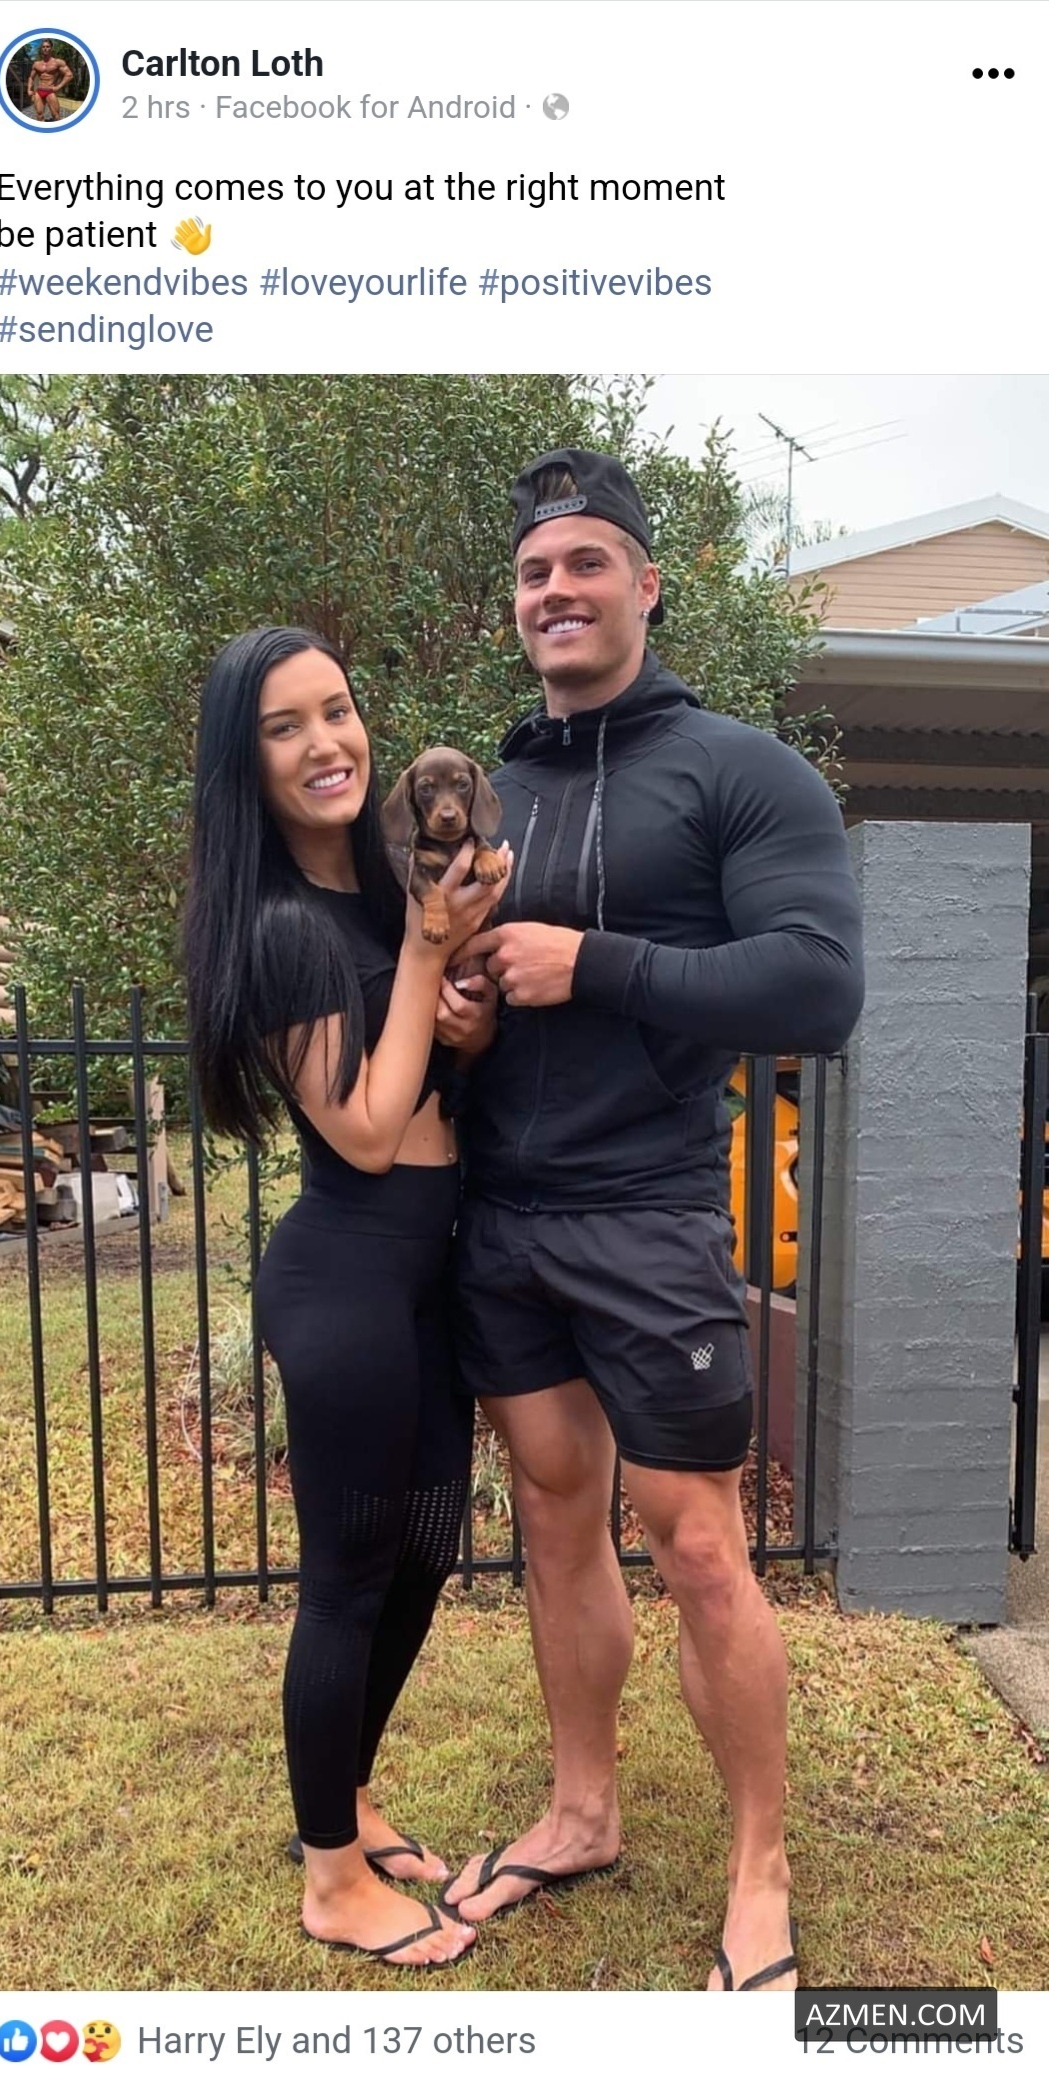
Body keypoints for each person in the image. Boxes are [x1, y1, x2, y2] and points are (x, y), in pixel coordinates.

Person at [440, 450, 865, 1991]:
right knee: (556, 1520)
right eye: (532, 571)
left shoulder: (739, 772)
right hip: (503, 1217)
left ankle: (758, 1867)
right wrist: (467, 1009)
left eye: (583, 562)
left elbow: (816, 985)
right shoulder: (492, 792)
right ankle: (580, 1809)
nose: (554, 589)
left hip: (646, 1215)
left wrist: (593, 961)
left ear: (644, 582)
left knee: (693, 1541)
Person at [183, 626, 509, 1968]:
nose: (325, 741)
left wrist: (463, 1017)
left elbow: (427, 1073)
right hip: (346, 1276)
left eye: (337, 708)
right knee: (345, 1576)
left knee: (428, 1541)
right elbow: (367, 1131)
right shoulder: (281, 930)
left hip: (423, 1272)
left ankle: (352, 1795)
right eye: (284, 725)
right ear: (246, 763)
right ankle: (329, 1877)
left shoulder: (382, 897)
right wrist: (430, 956)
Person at [27, 40, 72, 120]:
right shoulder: (36, 64)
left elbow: (69, 75)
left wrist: (58, 87)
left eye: (47, 47)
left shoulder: (58, 62)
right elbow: (31, 77)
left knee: (56, 115)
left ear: (51, 48)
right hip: (39, 91)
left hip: (50, 91)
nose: (45, 48)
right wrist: (29, 89)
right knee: (39, 115)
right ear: (41, 49)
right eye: (43, 47)